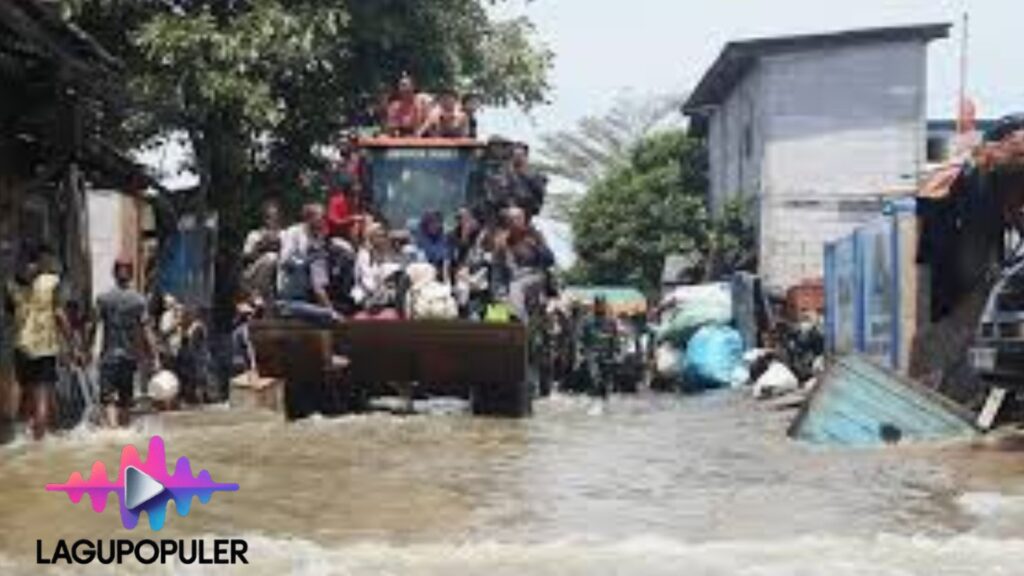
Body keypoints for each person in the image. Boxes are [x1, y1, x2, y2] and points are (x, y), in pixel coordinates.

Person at [6, 244, 72, 440]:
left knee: (25, 394)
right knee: (42, 397)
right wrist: (73, 344)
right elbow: (60, 315)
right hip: (44, 348)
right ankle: (39, 444)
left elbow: (11, 314)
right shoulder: (51, 282)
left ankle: (18, 437)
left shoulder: (11, 285)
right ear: (40, 261)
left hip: (21, 347)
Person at [95, 258, 156, 428]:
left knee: (108, 399)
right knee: (125, 400)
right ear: (132, 274)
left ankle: (113, 430)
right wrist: (155, 356)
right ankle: (123, 432)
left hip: (108, 357)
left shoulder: (103, 299)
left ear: (114, 273)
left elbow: (93, 326)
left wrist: (84, 349)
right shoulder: (139, 301)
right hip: (129, 357)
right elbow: (147, 330)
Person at [277, 203, 339, 324]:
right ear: (308, 218)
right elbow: (285, 261)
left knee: (328, 314)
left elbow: (319, 283)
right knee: (327, 314)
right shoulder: (294, 232)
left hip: (307, 298)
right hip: (288, 298)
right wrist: (308, 260)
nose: (323, 221)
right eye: (320, 217)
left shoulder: (318, 240)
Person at [493, 207, 555, 321]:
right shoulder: (501, 241)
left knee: (518, 289)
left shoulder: (534, 236)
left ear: (524, 219)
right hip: (511, 282)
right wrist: (500, 294)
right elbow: (497, 270)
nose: (515, 221)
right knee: (498, 312)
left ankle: (522, 323)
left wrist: (536, 247)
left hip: (535, 278)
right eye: (512, 218)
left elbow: (550, 260)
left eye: (518, 218)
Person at [242, 200, 284, 301]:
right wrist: (261, 246)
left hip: (279, 274)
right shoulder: (254, 235)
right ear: (264, 218)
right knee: (271, 257)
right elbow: (246, 257)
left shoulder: (286, 235)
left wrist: (279, 245)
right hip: (255, 274)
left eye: (276, 216)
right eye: (269, 217)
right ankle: (256, 294)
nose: (273, 220)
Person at [580, 296, 619, 398]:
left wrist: (616, 350)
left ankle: (604, 389)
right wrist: (582, 350)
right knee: (594, 372)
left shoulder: (611, 320)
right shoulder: (587, 320)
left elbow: (615, 337)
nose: (600, 307)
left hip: (607, 352)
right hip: (592, 351)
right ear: (595, 305)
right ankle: (596, 386)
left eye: (602, 304)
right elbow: (582, 336)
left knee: (607, 374)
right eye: (598, 304)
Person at [507, 144, 547, 217]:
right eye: (515, 155)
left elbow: (538, 200)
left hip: (525, 213)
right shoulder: (503, 176)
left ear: (526, 157)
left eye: (520, 155)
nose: (518, 158)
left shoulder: (535, 177)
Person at [414, 211, 451, 275]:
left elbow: (446, 253)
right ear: (426, 224)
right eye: (432, 223)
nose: (436, 225)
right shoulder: (421, 237)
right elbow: (426, 254)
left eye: (438, 222)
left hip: (441, 270)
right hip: (425, 271)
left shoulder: (443, 236)